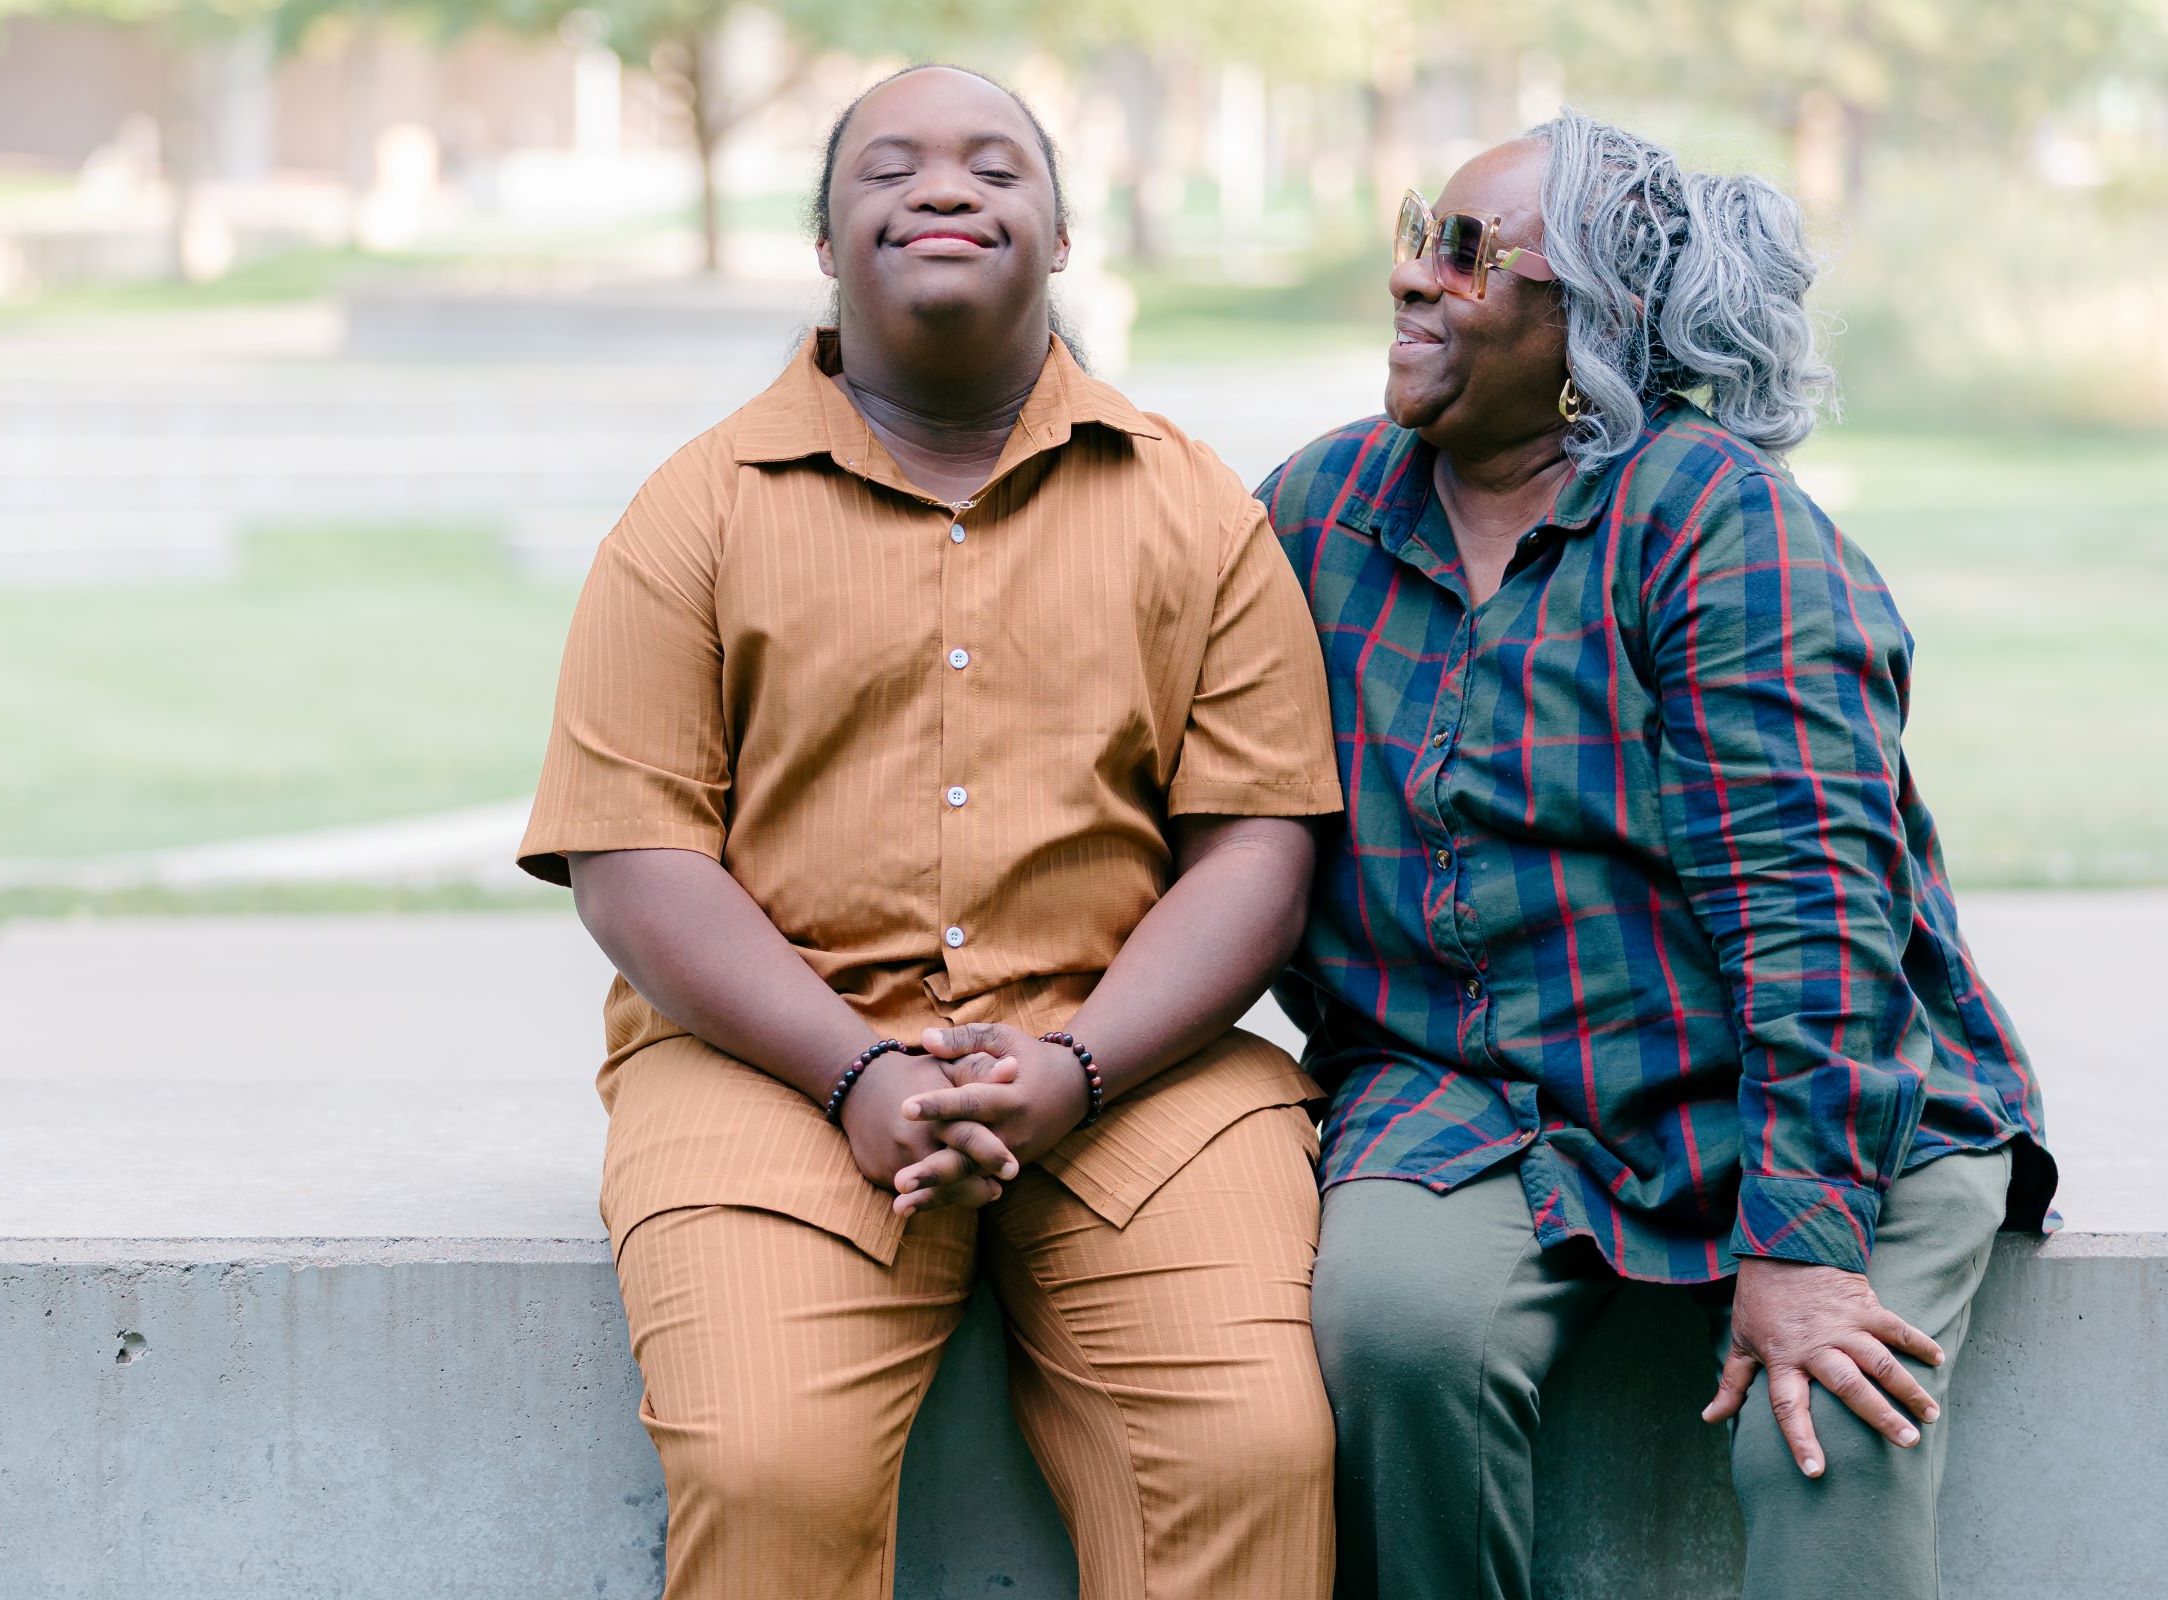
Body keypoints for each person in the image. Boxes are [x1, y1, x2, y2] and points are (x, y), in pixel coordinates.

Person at [518, 64, 1344, 1600]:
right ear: (828, 245)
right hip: (769, 1063)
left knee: (1249, 1454)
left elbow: (1255, 850)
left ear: (1063, 234)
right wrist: (857, 1068)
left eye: (994, 167)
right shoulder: (690, 514)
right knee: (769, 1469)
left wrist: (1080, 1066)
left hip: (1131, 1065)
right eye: (887, 169)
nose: (944, 189)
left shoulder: (1195, 509)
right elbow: (634, 860)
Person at [1260, 108, 2057, 1600]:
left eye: (1466, 251)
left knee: (1824, 1422)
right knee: (1398, 1333)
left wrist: (1806, 1246)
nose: (1414, 280)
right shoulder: (1324, 508)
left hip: (1818, 1086)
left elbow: (1818, 924)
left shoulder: (1720, 529)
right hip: (1482, 1092)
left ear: (1595, 324)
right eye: (1417, 231)